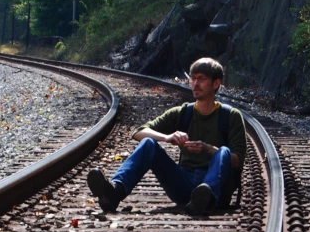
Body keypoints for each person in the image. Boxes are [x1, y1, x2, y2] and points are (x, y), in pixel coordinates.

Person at [87, 57, 247, 215]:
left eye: (202, 79)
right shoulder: (183, 112)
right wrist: (167, 137)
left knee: (223, 151)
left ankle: (207, 198)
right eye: (193, 79)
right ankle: (115, 192)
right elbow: (138, 132)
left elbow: (237, 160)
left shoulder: (230, 116)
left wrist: (208, 149)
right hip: (185, 186)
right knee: (149, 143)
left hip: (218, 189)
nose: (195, 84)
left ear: (216, 83)